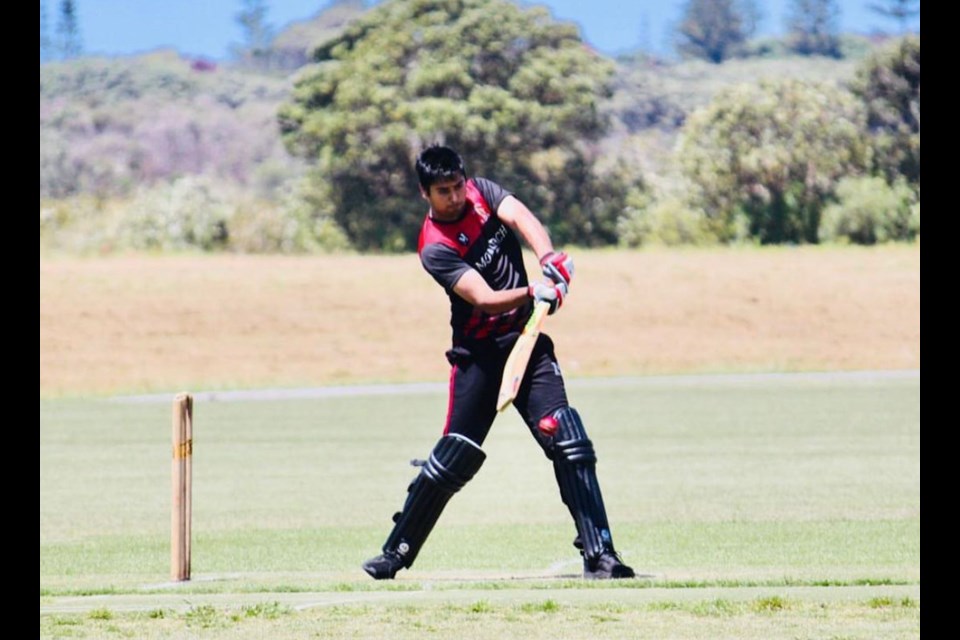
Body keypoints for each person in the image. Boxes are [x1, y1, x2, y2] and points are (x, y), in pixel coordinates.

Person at [362, 144, 635, 580]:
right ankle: (395, 553)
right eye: (442, 191)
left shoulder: (482, 193)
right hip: (479, 360)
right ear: (424, 194)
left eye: (457, 186)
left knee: (568, 439)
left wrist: (548, 260)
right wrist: (533, 292)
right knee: (454, 458)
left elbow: (523, 218)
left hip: (526, 343)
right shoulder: (434, 247)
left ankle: (601, 555)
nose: (454, 197)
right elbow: (485, 300)